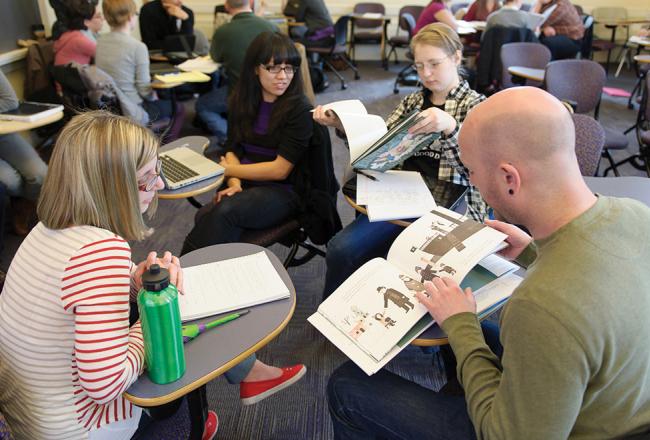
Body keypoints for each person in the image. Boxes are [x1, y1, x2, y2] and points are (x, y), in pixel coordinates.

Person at [327, 86, 650, 439]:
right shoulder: (636, 214)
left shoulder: (540, 308)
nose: (473, 182)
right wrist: (533, 253)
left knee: (345, 385)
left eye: (472, 171)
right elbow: (592, 290)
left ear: (509, 179)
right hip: (622, 399)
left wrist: (461, 326)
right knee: (473, 330)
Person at [0, 111, 219, 440]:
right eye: (147, 178)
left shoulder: (45, 228)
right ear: (112, 187)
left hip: (26, 415)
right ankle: (189, 427)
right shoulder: (102, 251)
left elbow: (78, 294)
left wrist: (135, 281)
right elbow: (105, 384)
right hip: (76, 427)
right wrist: (152, 326)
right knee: (179, 356)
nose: (158, 185)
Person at [314, 23, 487, 299]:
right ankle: (333, 314)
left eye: (434, 64)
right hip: (399, 196)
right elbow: (377, 149)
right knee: (340, 250)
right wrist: (345, 126)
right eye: (419, 66)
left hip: (447, 208)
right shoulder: (413, 102)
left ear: (456, 57)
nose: (425, 74)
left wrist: (451, 128)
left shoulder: (477, 107)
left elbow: (477, 174)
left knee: (419, 274)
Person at [183, 31, 313, 253]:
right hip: (245, 183)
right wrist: (234, 183)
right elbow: (233, 147)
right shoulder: (242, 100)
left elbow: (279, 170)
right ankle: (210, 279)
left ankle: (179, 278)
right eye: (273, 68)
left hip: (284, 191)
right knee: (212, 220)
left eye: (289, 68)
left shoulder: (299, 108)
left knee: (224, 213)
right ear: (256, 68)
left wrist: (229, 171)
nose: (283, 76)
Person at [96, 0, 185, 139]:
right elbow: (144, 89)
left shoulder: (100, 41)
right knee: (179, 108)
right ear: (131, 17)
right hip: (133, 107)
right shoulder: (137, 47)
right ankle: (165, 149)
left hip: (110, 105)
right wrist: (153, 96)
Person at [195, 0, 278, 144]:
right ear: (251, 3)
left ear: (227, 5)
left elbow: (216, 57)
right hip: (272, 90)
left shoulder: (223, 31)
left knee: (202, 105)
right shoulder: (271, 27)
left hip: (239, 92)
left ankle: (230, 139)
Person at [0, 71, 48, 236]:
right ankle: (21, 205)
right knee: (11, 182)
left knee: (40, 175)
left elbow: (10, 101)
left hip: (3, 133)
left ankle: (22, 204)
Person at [53, 0, 103, 65]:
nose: (103, 19)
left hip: (73, 72)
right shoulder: (80, 40)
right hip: (72, 74)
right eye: (98, 17)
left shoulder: (72, 35)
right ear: (86, 22)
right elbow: (105, 55)